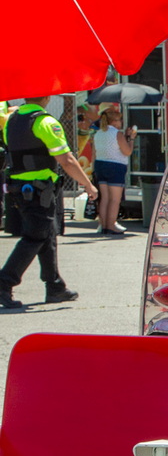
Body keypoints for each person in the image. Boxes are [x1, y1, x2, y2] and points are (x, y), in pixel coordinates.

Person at [0, 98, 98, 309]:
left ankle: (55, 287)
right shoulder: (45, 122)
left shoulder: (12, 120)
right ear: (46, 97)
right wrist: (88, 185)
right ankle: (4, 282)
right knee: (35, 236)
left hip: (20, 189)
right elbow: (67, 160)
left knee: (48, 235)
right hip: (39, 190)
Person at [90, 106, 135, 236]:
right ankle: (111, 225)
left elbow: (95, 152)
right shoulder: (117, 133)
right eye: (120, 120)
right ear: (114, 121)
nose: (121, 123)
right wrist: (131, 138)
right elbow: (127, 151)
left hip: (100, 165)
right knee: (115, 199)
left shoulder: (98, 133)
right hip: (116, 166)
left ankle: (103, 225)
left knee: (104, 198)